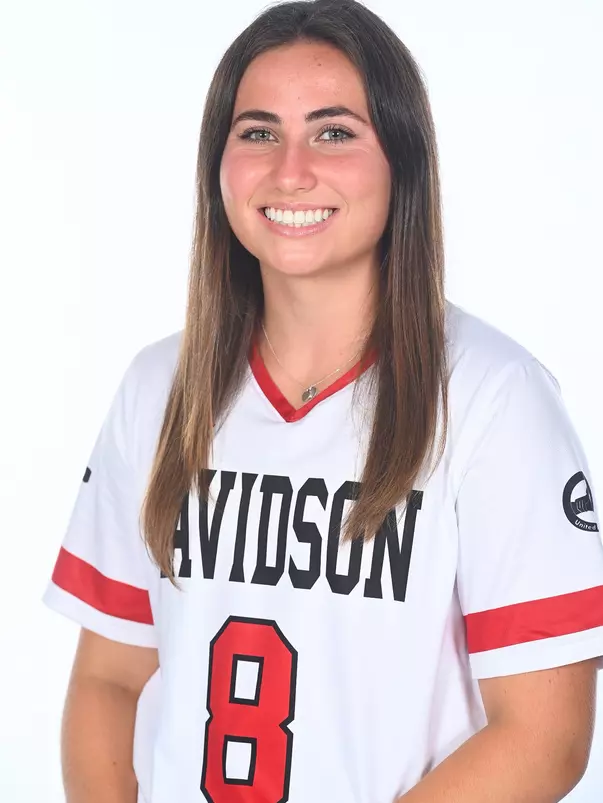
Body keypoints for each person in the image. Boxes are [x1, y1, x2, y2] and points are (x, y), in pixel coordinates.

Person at [43, 1, 603, 802]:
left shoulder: (493, 399)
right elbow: (109, 679)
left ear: (401, 161)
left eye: (334, 132)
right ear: (218, 164)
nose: (290, 169)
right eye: (258, 131)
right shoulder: (157, 387)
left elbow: (544, 737)